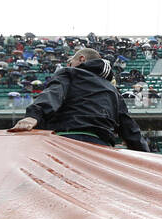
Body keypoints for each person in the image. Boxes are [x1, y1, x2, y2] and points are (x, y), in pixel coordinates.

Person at [8, 48, 148, 151]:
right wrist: (145, 154)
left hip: (66, 141)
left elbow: (53, 93)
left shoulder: (69, 73)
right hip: (102, 149)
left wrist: (34, 115)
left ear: (81, 59)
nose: (68, 65)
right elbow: (129, 128)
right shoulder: (113, 91)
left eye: (70, 62)